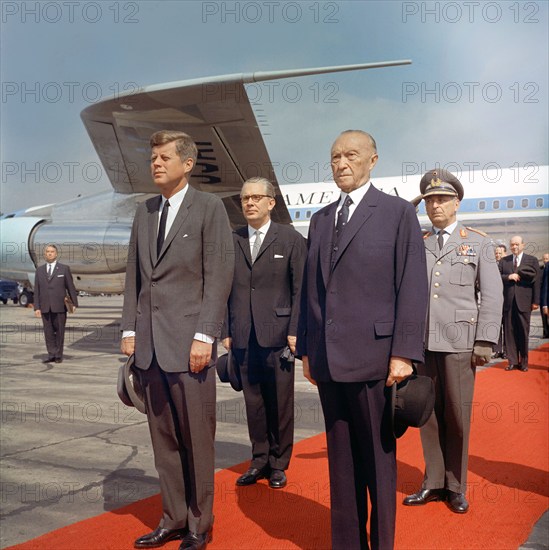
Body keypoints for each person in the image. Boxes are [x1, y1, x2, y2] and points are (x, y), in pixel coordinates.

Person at [296, 130, 428, 550]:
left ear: (373, 160)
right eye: (334, 157)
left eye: (351, 155)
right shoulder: (320, 219)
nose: (341, 164)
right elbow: (311, 291)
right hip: (329, 362)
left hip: (377, 361)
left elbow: (412, 286)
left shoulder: (396, 213)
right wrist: (307, 350)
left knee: (377, 463)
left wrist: (404, 352)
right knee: (342, 466)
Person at [120, 130, 234, 550]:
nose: (156, 163)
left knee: (197, 441)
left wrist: (206, 335)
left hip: (191, 348)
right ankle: (172, 517)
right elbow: (134, 274)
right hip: (149, 347)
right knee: (163, 440)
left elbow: (219, 276)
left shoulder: (209, 208)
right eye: (153, 157)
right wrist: (129, 329)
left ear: (187, 164)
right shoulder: (145, 211)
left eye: (164, 157)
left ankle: (200, 526)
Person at [402, 169, 503, 515]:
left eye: (442, 199)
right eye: (429, 200)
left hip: (460, 342)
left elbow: (491, 295)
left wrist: (485, 340)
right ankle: (433, 481)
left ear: (457, 202)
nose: (435, 205)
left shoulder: (478, 242)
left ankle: (456, 485)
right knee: (428, 414)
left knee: (457, 416)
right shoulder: (419, 243)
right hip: (423, 343)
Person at [222, 177, 306, 490]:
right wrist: (226, 329)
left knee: (280, 403)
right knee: (253, 403)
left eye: (257, 198)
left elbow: (301, 290)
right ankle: (259, 459)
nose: (250, 203)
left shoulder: (290, 239)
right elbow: (224, 290)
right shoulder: (232, 240)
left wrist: (297, 330)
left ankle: (279, 463)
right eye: (245, 199)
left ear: (271, 203)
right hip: (243, 335)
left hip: (280, 337)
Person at [499, 236, 540, 371]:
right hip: (508, 302)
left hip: (524, 302)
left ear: (523, 245)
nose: (514, 247)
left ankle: (524, 362)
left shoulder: (532, 260)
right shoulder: (504, 261)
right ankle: (512, 361)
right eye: (512, 245)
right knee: (509, 333)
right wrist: (508, 277)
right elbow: (496, 277)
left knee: (523, 332)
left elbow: (536, 282)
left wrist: (536, 301)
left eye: (517, 244)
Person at [34, 244, 78, 363]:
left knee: (59, 331)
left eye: (52, 251)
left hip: (60, 306)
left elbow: (71, 287)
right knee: (48, 332)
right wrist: (36, 307)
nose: (49, 253)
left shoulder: (64, 269)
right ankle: (51, 354)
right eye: (47, 251)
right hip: (44, 306)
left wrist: (74, 304)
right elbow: (37, 290)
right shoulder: (39, 270)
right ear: (44, 254)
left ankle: (58, 355)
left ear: (56, 254)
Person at [492, 244, 507, 358]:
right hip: (495, 301)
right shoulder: (491, 265)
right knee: (496, 326)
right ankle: (497, 350)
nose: (497, 255)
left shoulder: (508, 264)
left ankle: (506, 350)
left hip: (506, 300)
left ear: (505, 253)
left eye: (500, 253)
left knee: (507, 326)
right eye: (496, 253)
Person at [540, 253, 549, 338]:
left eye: (547, 259)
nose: (546, 260)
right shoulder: (541, 269)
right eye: (545, 259)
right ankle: (545, 332)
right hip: (542, 296)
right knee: (543, 316)